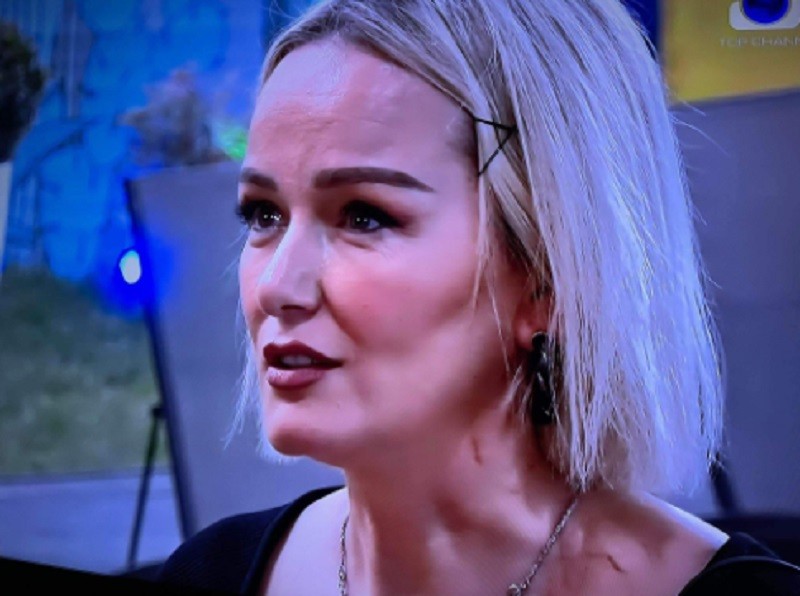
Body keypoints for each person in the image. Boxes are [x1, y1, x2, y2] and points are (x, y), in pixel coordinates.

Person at [159, 0, 800, 594]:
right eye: (263, 214)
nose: (277, 286)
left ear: (547, 276)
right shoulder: (210, 574)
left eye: (364, 216)